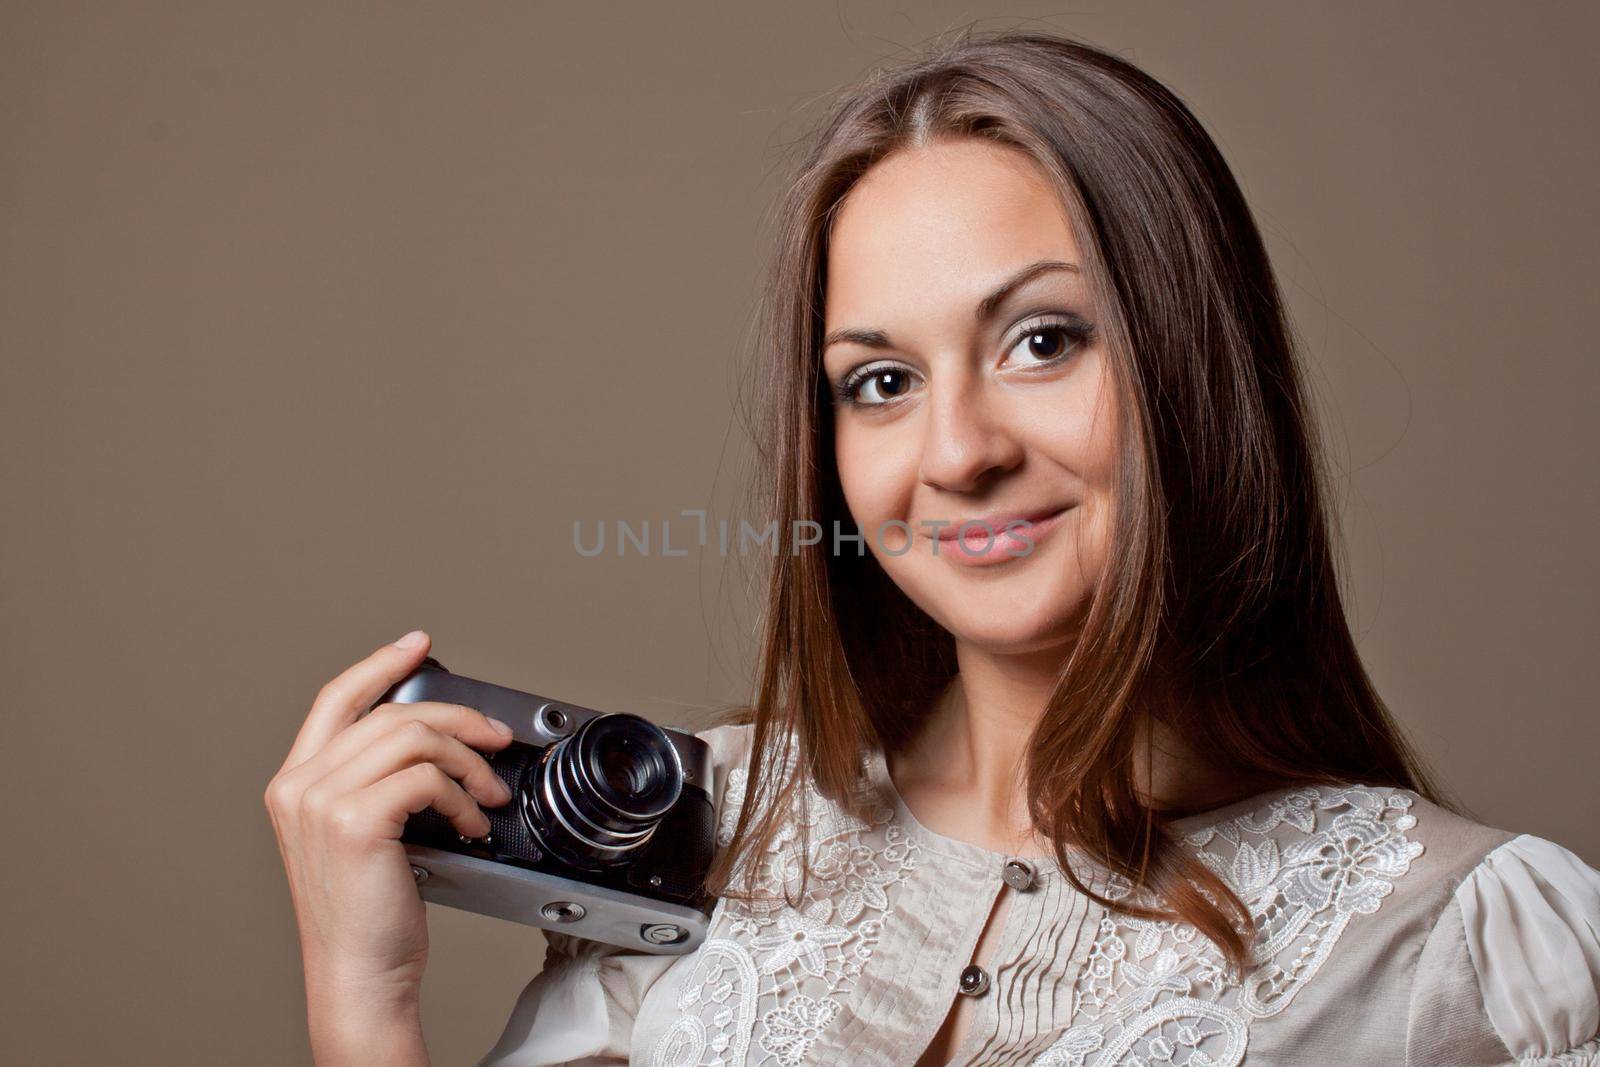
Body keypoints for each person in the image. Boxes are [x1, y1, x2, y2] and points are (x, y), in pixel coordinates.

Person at [264, 29, 1600, 1067]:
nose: (956, 452)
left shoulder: (1462, 938)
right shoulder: (703, 841)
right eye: (880, 382)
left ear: (1197, 370)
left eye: (1043, 341)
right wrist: (364, 1001)